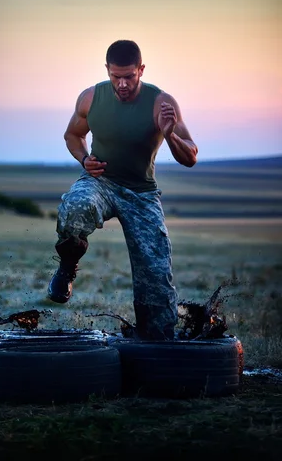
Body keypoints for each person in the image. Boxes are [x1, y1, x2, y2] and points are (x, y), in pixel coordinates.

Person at [48, 40, 198, 340]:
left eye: (129, 76)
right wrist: (84, 158)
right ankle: (67, 266)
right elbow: (73, 135)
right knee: (75, 206)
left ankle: (157, 343)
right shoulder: (91, 97)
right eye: (116, 76)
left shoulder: (161, 103)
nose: (122, 83)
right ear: (107, 70)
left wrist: (170, 137)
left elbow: (190, 157)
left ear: (141, 70)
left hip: (141, 194)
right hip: (101, 182)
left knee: (155, 272)